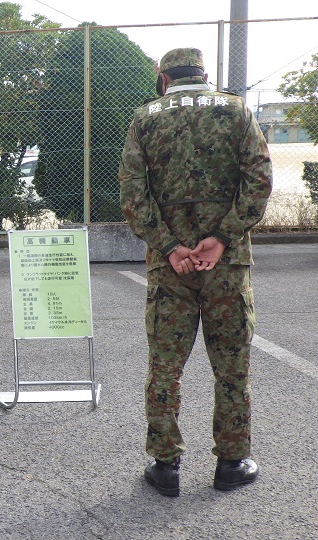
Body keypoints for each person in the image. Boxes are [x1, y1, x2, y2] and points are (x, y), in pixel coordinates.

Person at [118, 47, 273, 497]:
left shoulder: (145, 118)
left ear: (163, 78)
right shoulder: (236, 110)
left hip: (171, 268)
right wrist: (223, 235)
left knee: (165, 366)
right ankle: (231, 462)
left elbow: (133, 195)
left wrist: (169, 246)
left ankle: (165, 467)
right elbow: (259, 179)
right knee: (231, 367)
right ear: (204, 74)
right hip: (226, 264)